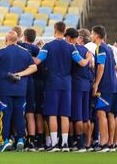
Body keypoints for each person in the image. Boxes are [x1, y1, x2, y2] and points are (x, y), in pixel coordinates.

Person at [33, 22, 89, 152]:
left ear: (55, 30)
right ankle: (64, 144)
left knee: (52, 114)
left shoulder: (48, 46)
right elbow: (81, 62)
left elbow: (37, 61)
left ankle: (54, 143)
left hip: (52, 83)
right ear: (64, 32)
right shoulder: (71, 47)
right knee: (64, 114)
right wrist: (88, 59)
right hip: (66, 83)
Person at [0, 30, 37, 152]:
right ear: (17, 39)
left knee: (6, 115)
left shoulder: (1, 52)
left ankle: (5, 141)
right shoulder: (25, 53)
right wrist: (19, 74)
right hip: (21, 89)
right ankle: (20, 139)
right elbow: (34, 67)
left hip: (4, 88)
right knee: (20, 115)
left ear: (6, 39)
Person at [67, 27, 93, 152]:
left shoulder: (72, 49)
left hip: (75, 85)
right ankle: (87, 143)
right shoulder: (86, 50)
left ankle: (79, 143)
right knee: (86, 116)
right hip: (86, 84)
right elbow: (91, 65)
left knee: (76, 116)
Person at [91, 25, 116, 152]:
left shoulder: (100, 48)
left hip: (104, 85)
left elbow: (101, 66)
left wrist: (96, 84)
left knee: (101, 114)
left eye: (92, 33)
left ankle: (103, 143)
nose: (91, 36)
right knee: (108, 114)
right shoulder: (109, 48)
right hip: (112, 84)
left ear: (96, 35)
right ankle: (108, 143)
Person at [19, 27, 43, 150]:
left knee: (20, 112)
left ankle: (19, 138)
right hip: (32, 83)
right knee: (31, 113)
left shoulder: (19, 46)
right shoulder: (36, 49)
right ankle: (32, 141)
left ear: (24, 36)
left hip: (21, 81)